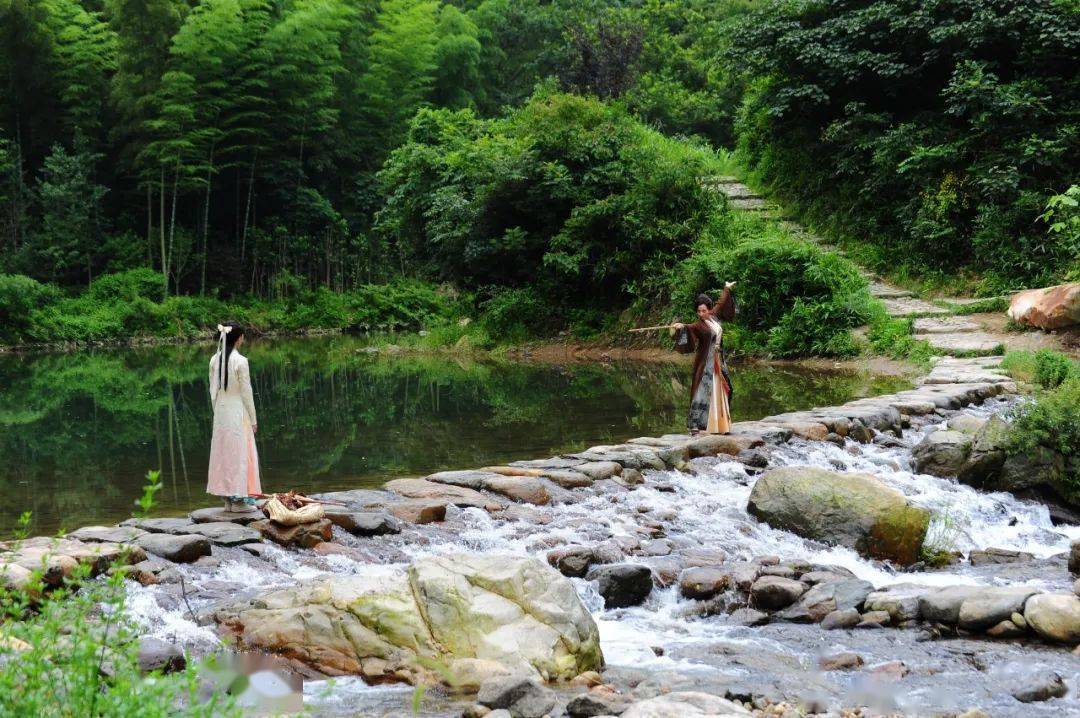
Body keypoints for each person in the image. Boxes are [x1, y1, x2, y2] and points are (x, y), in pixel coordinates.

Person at [206, 321, 262, 512]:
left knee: (224, 453)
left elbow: (212, 390)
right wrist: (253, 419)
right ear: (238, 338)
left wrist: (217, 412)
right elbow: (247, 393)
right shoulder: (241, 361)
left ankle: (227, 500)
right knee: (239, 453)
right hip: (238, 411)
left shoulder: (214, 360)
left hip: (221, 413)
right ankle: (238, 501)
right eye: (242, 336)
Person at [673, 282, 736, 435]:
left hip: (718, 361)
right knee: (702, 391)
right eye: (699, 311)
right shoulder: (697, 325)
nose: (701, 314)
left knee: (724, 389)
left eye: (704, 310)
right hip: (705, 362)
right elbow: (687, 330)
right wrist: (680, 328)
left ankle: (720, 425)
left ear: (709, 309)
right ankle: (695, 425)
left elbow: (721, 303)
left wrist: (727, 288)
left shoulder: (714, 316)